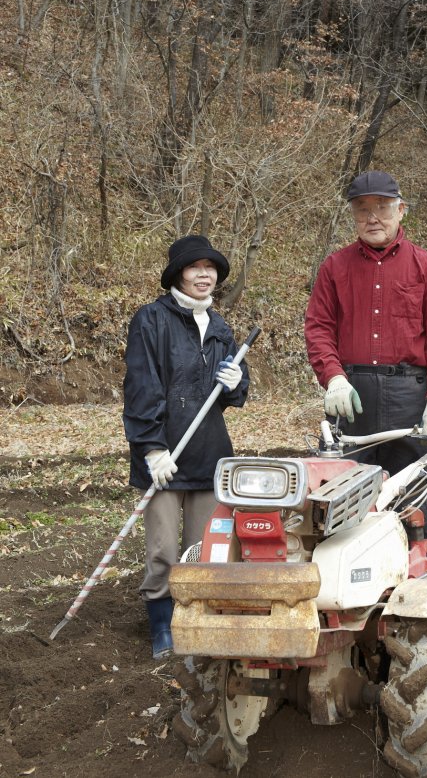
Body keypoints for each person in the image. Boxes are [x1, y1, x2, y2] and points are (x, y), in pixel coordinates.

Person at [304, 170, 427, 560]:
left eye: (382, 208)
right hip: (351, 400)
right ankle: (345, 575)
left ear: (401, 210)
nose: (373, 217)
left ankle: (418, 569)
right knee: (340, 493)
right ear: (353, 216)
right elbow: (318, 328)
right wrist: (334, 378)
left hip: (410, 399)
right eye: (362, 209)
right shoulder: (334, 268)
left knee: (416, 489)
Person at [123, 234, 249, 659]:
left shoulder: (219, 328)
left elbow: (233, 394)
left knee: (202, 551)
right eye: (195, 267)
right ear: (178, 272)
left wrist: (237, 383)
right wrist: (151, 448)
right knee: (163, 548)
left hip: (208, 453)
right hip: (163, 457)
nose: (204, 274)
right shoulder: (151, 320)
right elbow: (142, 387)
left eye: (210, 268)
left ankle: (192, 621)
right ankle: (161, 625)